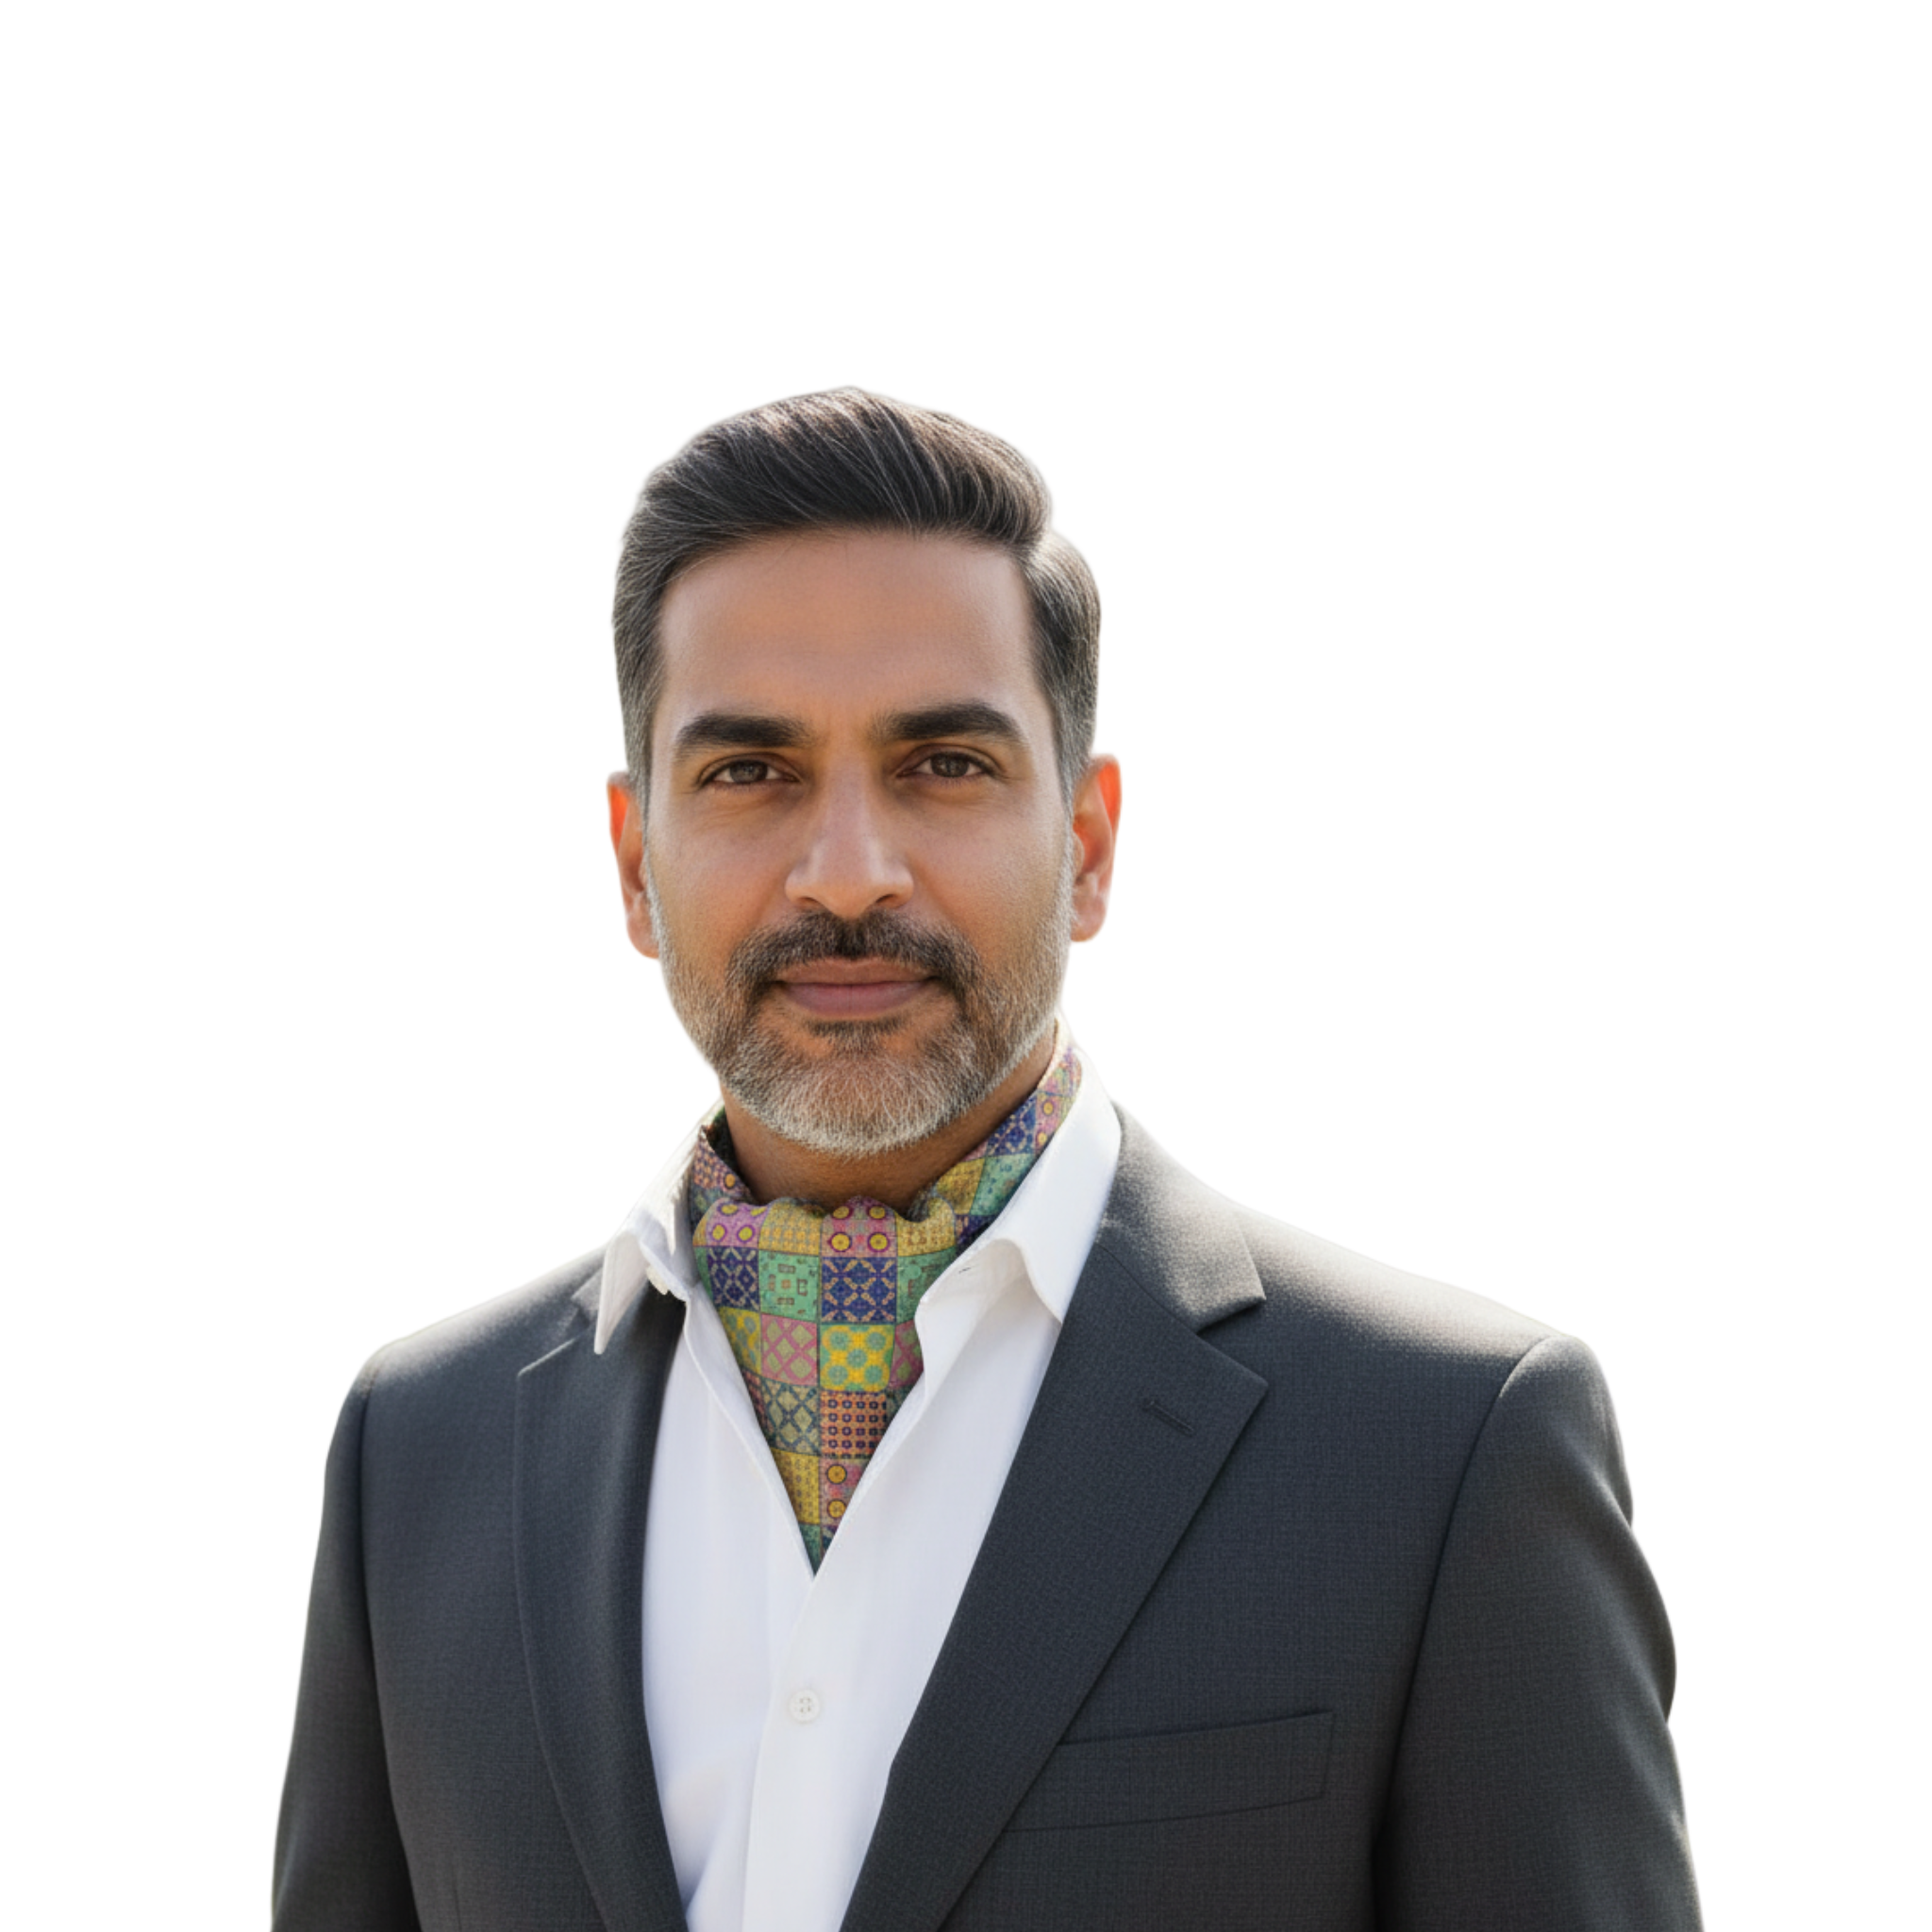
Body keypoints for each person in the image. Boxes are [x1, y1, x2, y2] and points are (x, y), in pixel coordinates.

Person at [274, 389, 1701, 1931]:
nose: (847, 875)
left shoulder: (1444, 1453)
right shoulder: (417, 1458)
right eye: (750, 772)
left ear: (1087, 844)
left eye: (944, 763)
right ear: (634, 864)